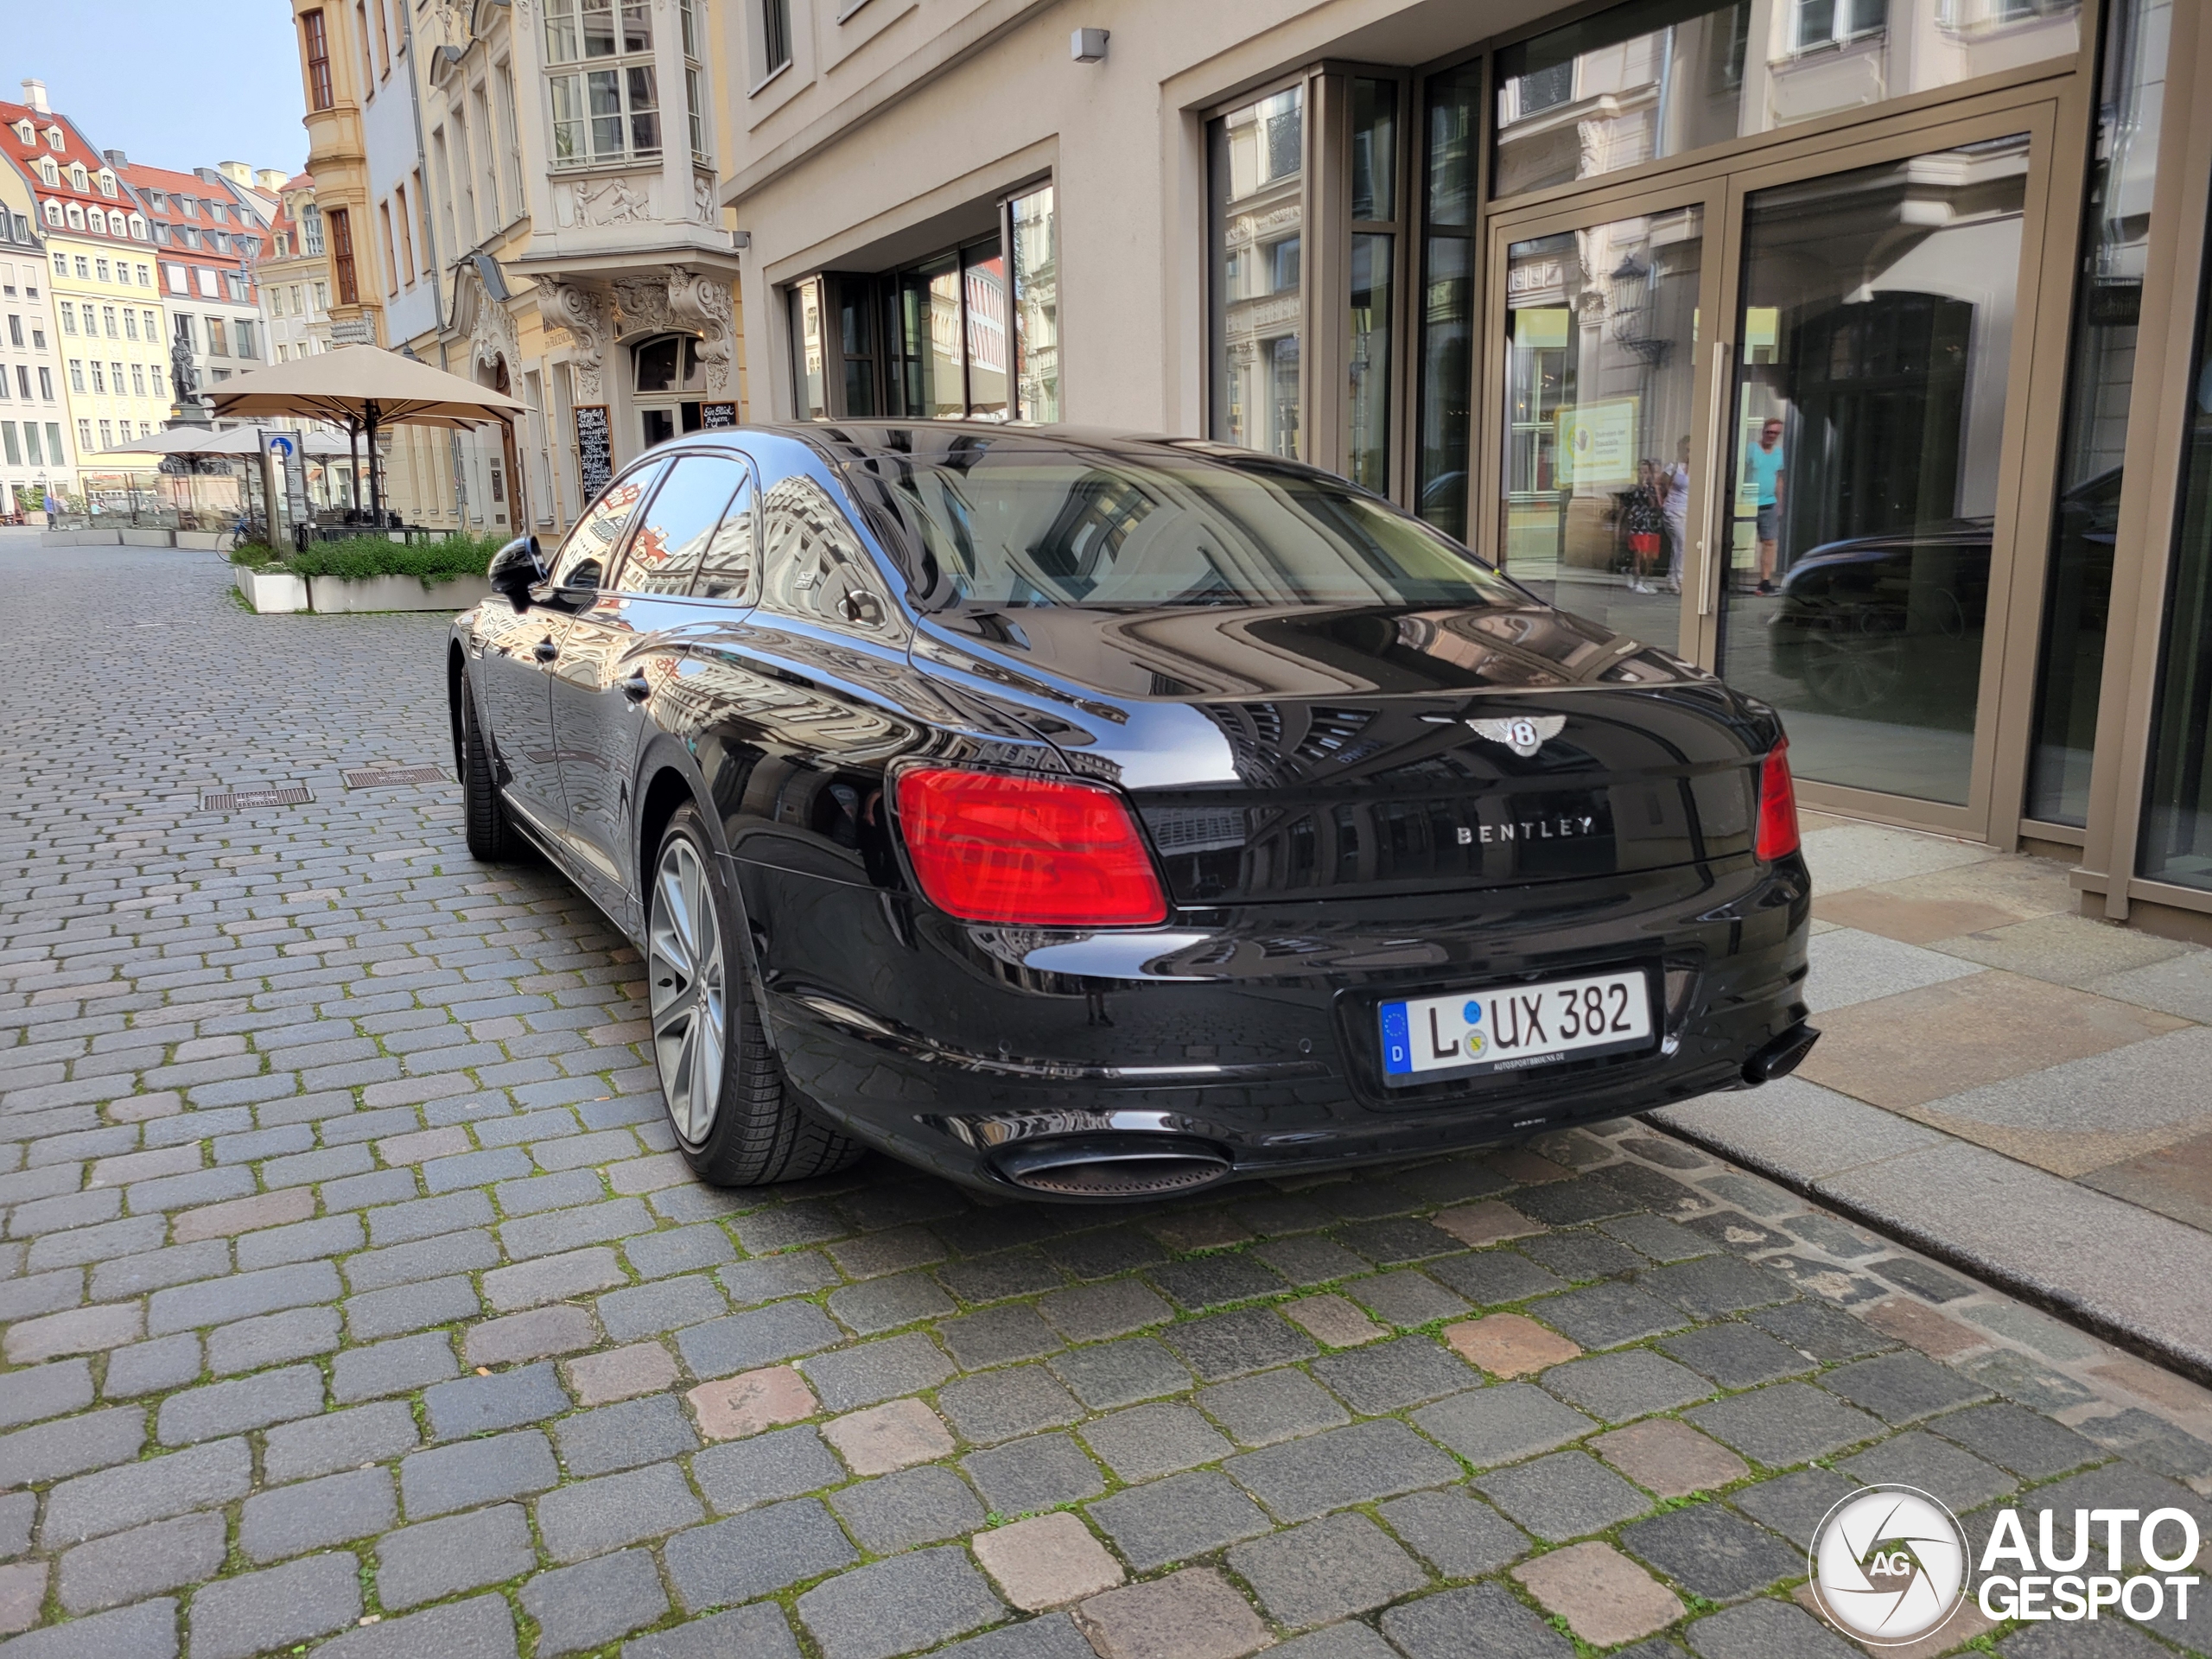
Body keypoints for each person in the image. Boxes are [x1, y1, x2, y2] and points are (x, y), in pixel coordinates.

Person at [1745, 416, 1785, 594]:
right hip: (1748, 502)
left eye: (1775, 433)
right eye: (1769, 432)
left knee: (1769, 542)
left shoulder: (1778, 453)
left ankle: (1765, 581)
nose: (1771, 436)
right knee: (1740, 542)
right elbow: (1740, 472)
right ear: (1763, 431)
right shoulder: (1751, 449)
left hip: (1769, 503)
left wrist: (1780, 503)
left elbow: (1779, 479)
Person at [1624, 460, 1664, 594]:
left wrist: (1648, 488)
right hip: (1638, 525)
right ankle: (1637, 582)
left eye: (1646, 472)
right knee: (1640, 553)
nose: (1643, 475)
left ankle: (1643, 580)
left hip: (1651, 525)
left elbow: (1655, 504)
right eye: (1640, 472)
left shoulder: (1652, 489)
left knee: (1650, 557)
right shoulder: (1633, 489)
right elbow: (1625, 507)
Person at [1662, 435, 1691, 595]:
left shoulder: (1700, 468)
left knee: (1678, 546)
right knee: (1683, 543)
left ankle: (1671, 579)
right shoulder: (1673, 467)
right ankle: (1680, 579)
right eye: (1687, 450)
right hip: (1673, 511)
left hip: (1689, 511)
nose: (1690, 454)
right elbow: (1661, 484)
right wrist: (1663, 501)